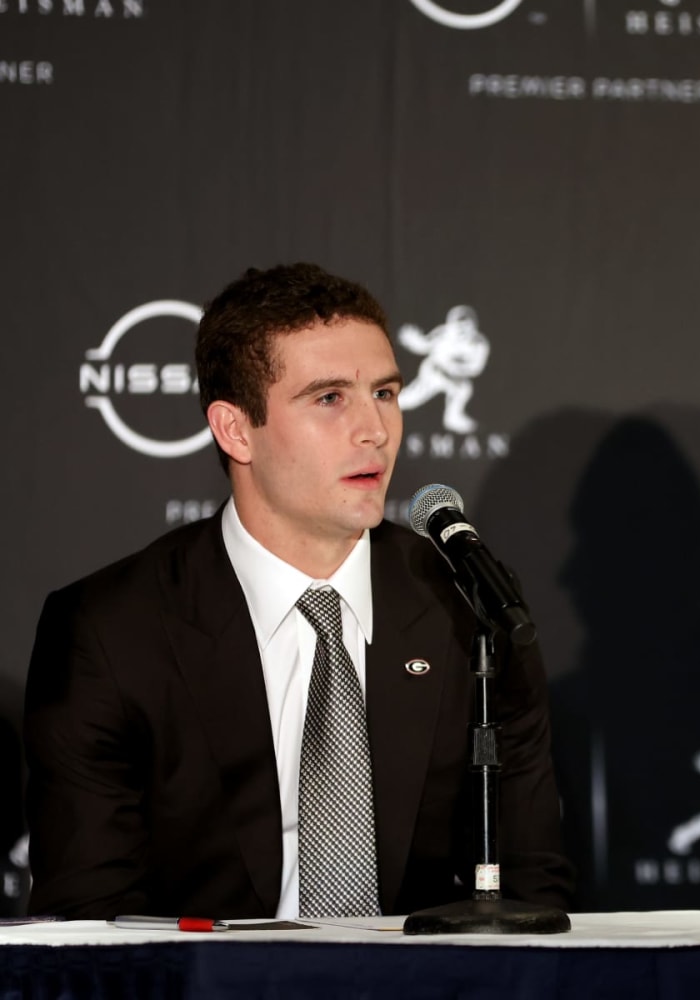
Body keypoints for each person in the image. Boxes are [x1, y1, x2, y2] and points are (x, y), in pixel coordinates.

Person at [24, 263, 572, 919]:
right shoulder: (110, 631)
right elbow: (91, 918)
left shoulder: (470, 609)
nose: (375, 430)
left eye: (387, 394)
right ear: (234, 430)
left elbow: (533, 888)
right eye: (330, 398)